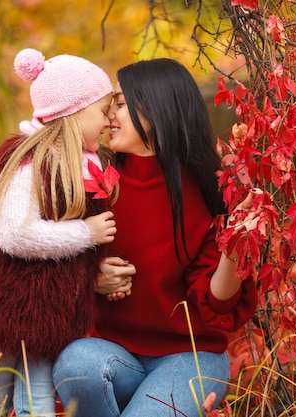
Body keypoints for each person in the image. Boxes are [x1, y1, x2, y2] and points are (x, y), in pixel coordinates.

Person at [51, 58, 260, 417]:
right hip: (112, 354)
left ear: (154, 108)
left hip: (191, 359)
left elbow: (219, 305)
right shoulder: (92, 180)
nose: (107, 116)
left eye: (118, 103)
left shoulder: (209, 189)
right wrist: (90, 279)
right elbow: (46, 265)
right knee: (75, 365)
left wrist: (233, 247)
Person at [0, 48, 118, 417]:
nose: (108, 120)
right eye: (101, 111)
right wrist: (85, 233)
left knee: (35, 405)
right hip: (0, 309)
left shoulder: (86, 166)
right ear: (73, 112)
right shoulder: (30, 162)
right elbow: (16, 235)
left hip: (47, 316)